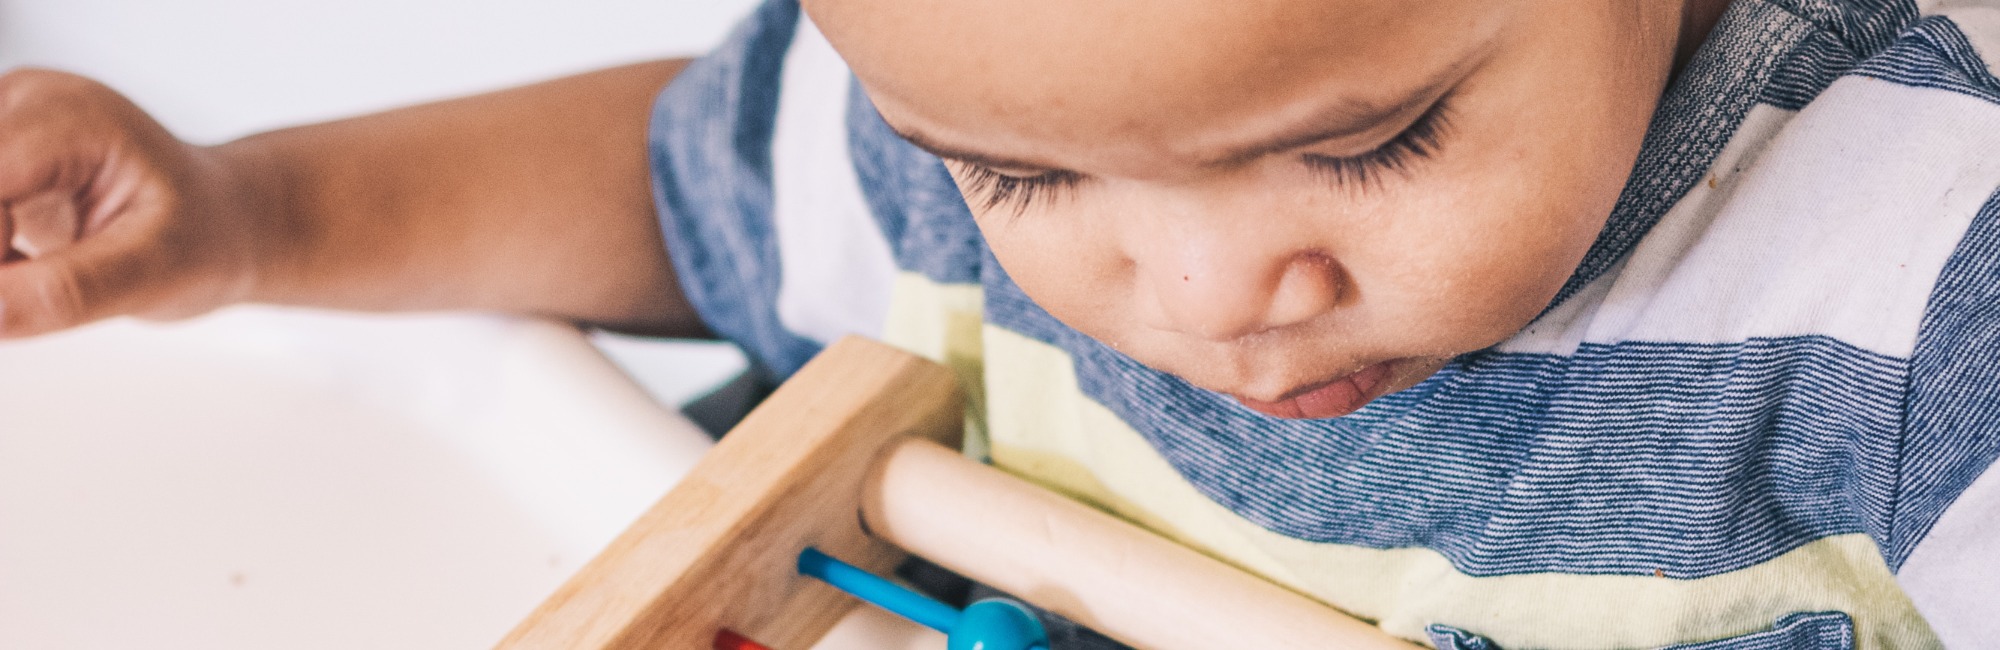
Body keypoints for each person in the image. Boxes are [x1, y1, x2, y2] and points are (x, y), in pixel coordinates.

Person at [2, 0, 1997, 646]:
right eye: (1026, 183)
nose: (1212, 299)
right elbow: (680, 190)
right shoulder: (938, 111)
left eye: (1374, 142)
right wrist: (255, 209)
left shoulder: (1917, 292)